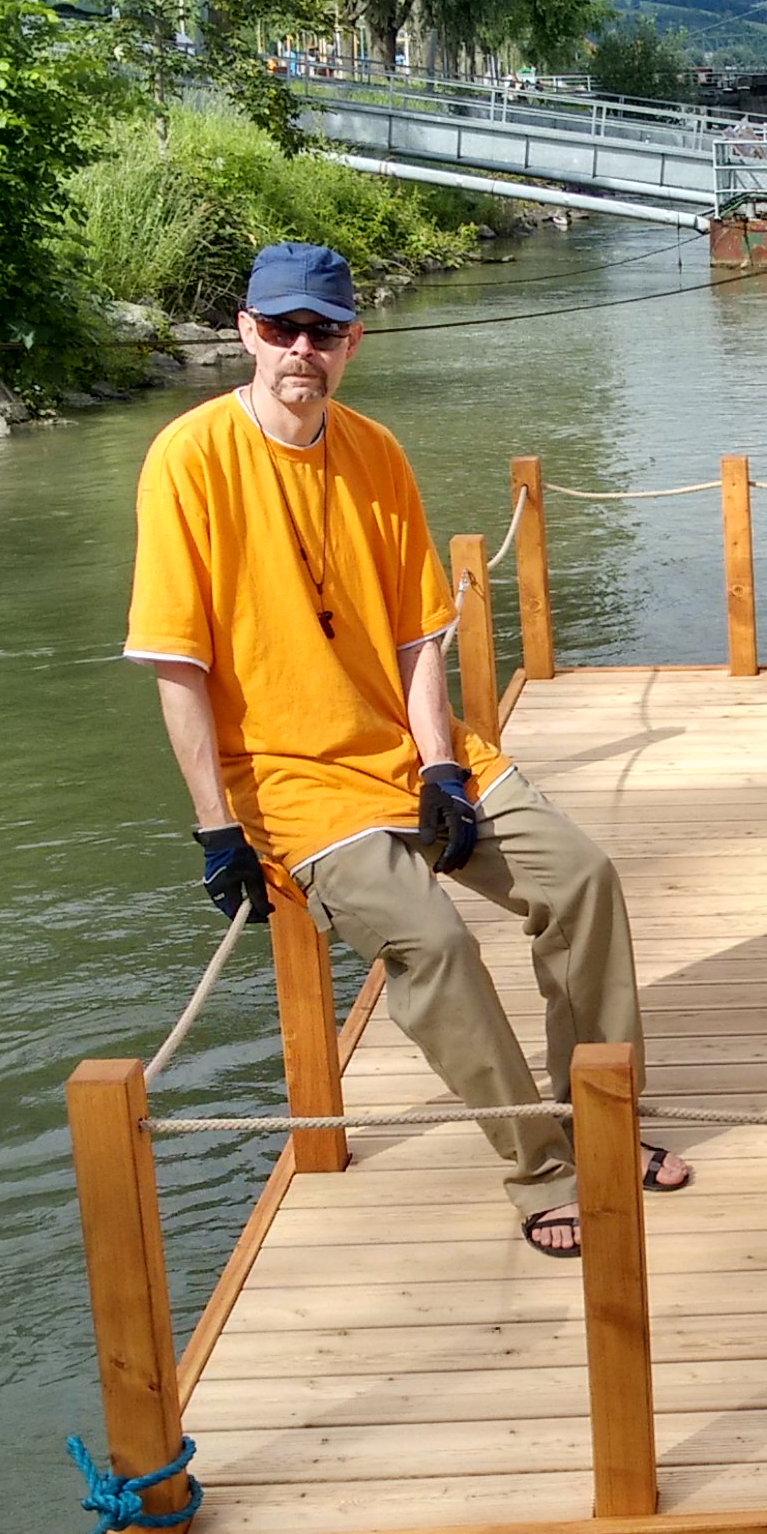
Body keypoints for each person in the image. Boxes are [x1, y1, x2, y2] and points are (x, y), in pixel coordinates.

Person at [122, 241, 689, 1259]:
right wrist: (216, 831)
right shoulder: (189, 460)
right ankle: (542, 1169)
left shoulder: (376, 451)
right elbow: (178, 666)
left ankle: (602, 1113)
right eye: (283, 329)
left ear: (352, 341)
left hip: (409, 746)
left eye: (324, 332)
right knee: (433, 941)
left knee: (586, 879)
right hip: (290, 782)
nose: (303, 350)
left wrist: (437, 766)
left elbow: (415, 638)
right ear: (246, 331)